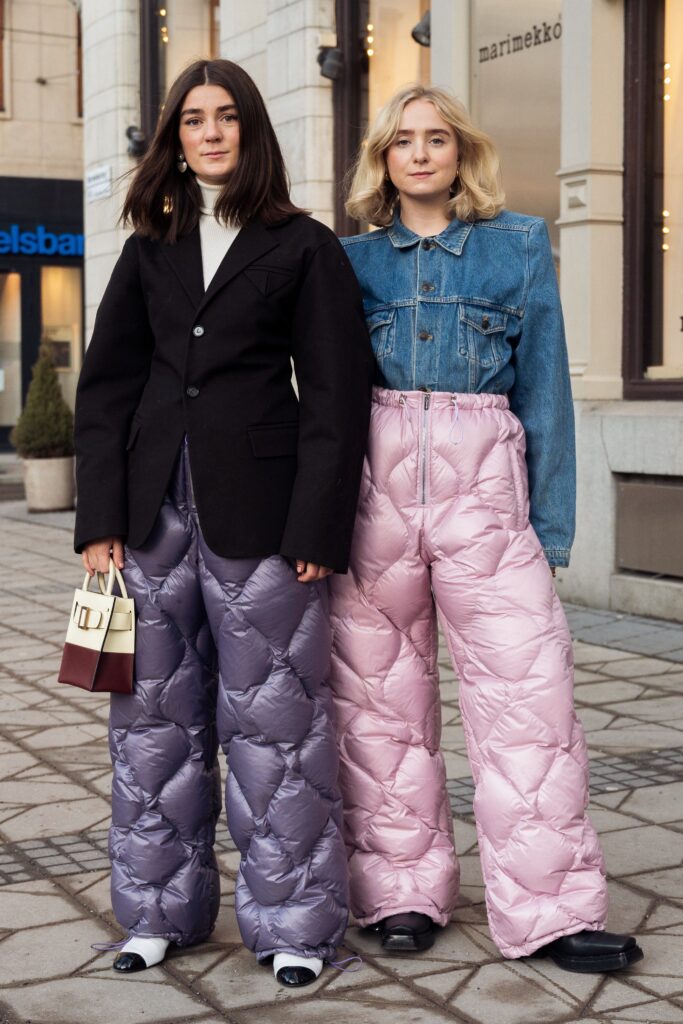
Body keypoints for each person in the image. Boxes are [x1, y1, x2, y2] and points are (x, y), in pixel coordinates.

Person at [328, 84, 644, 974]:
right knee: (377, 710)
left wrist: (548, 535)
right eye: (401, 141)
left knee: (530, 709)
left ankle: (551, 912)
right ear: (382, 160)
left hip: (487, 504)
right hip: (373, 504)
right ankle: (400, 893)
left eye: (436, 139)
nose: (420, 154)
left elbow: (544, 389)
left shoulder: (517, 246)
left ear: (461, 152)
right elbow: (323, 397)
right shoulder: (348, 262)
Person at [74, 58, 372, 988]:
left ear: (251, 131)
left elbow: (335, 396)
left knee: (277, 731)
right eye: (193, 119)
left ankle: (292, 927)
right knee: (151, 726)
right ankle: (158, 914)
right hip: (150, 515)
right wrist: (98, 520)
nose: (209, 132)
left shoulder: (302, 245)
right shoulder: (149, 246)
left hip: (268, 523)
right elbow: (108, 387)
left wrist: (318, 530)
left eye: (226, 116)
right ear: (174, 136)